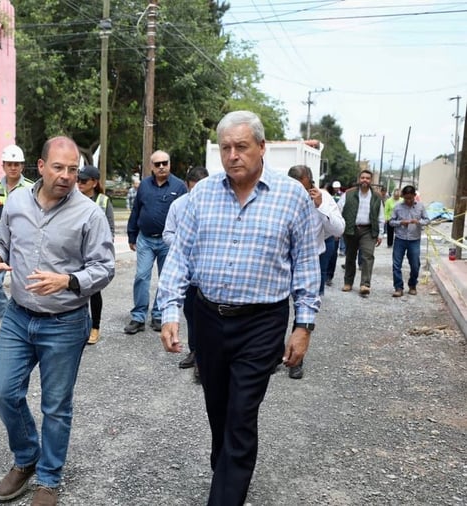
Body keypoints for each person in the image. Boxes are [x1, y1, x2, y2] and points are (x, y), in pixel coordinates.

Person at [157, 111, 320, 505]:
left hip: (262, 323)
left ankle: (225, 494)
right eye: (226, 148)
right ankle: (227, 471)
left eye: (241, 146)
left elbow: (307, 265)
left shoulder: (291, 196)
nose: (233, 156)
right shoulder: (203, 195)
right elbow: (180, 256)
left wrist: (304, 325)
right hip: (209, 318)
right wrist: (169, 311)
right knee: (218, 406)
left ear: (261, 148)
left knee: (242, 413)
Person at [0, 136, 115, 506]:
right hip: (18, 315)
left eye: (73, 170)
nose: (66, 176)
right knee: (3, 391)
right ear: (40, 167)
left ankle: (48, 478)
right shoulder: (16, 202)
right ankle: (27, 457)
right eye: (58, 167)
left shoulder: (89, 214)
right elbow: (0, 238)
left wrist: (70, 281)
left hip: (65, 321)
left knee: (56, 406)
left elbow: (105, 268)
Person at [286, 165, 344, 380]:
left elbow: (338, 230)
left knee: (304, 309)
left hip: (310, 260)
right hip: (283, 261)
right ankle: (274, 355)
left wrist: (320, 206)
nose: (298, 194)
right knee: (277, 309)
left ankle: (296, 361)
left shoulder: (325, 198)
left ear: (310, 183)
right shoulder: (282, 196)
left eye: (301, 188)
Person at [124, 150, 187, 334]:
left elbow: (185, 214)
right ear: (151, 166)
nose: (161, 167)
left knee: (165, 280)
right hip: (145, 239)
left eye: (164, 163)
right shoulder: (144, 185)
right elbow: (136, 210)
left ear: (169, 164)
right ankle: (138, 317)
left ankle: (159, 316)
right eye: (157, 164)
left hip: (168, 241)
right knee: (141, 276)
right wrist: (131, 235)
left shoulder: (179, 186)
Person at [0, 144, 34, 338]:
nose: (13, 167)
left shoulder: (30, 187)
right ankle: (5, 317)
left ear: (22, 166)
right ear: (3, 165)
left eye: (17, 164)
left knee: (24, 282)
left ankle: (26, 319)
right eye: (9, 164)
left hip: (22, 241)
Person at [162, 165, 209, 380]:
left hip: (209, 275)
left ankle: (204, 359)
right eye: (193, 191)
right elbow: (168, 233)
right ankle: (195, 350)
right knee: (190, 313)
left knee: (207, 316)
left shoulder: (219, 207)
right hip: (187, 273)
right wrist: (183, 245)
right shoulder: (178, 206)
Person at [76, 164, 115, 345]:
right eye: (78, 180)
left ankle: (95, 327)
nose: (79, 183)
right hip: (75, 252)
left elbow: (110, 229)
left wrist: (104, 251)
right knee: (76, 289)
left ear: (94, 182)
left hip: (95, 253)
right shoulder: (72, 199)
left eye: (83, 181)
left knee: (94, 290)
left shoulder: (103, 201)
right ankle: (80, 325)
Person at [338, 169, 385, 296]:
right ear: (359, 179)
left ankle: (365, 284)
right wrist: (338, 229)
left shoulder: (376, 197)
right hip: (351, 229)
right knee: (350, 257)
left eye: (368, 178)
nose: (365, 180)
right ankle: (348, 283)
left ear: (371, 181)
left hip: (368, 230)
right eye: (363, 177)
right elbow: (338, 211)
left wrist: (380, 234)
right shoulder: (348, 194)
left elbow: (381, 216)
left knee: (368, 256)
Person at [390, 185, 429, 297]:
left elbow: (427, 220)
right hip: (400, 239)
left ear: (414, 196)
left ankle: (412, 285)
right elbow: (391, 222)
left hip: (414, 240)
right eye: (406, 198)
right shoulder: (397, 207)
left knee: (415, 264)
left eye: (410, 198)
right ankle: (398, 287)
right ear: (403, 196)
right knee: (396, 264)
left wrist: (418, 222)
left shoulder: (420, 207)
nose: (408, 201)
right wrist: (400, 222)